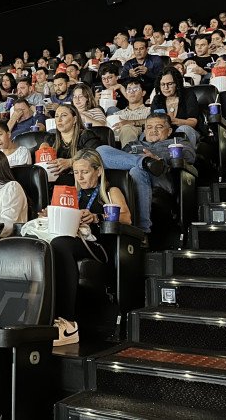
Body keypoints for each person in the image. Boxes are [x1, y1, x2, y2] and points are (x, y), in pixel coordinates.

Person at [48, 149, 131, 346]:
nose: (80, 177)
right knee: (48, 245)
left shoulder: (111, 191)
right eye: (76, 172)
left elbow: (127, 217)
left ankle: (67, 323)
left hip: (99, 246)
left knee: (60, 244)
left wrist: (97, 217)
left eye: (84, 172)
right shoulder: (71, 193)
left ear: (99, 171)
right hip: (74, 239)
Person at [96, 114, 195, 236]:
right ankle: (145, 162)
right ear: (144, 130)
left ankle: (142, 231)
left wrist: (159, 159)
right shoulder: (133, 145)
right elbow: (117, 160)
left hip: (161, 178)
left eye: (159, 127)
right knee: (100, 151)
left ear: (169, 131)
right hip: (130, 180)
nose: (153, 130)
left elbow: (190, 157)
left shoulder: (178, 142)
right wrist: (145, 161)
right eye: (149, 127)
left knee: (137, 171)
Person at [43, 104, 103, 186]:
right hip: (52, 181)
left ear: (74, 119)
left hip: (79, 180)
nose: (59, 120)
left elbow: (94, 158)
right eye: (56, 116)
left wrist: (70, 162)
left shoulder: (86, 135)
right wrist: (42, 151)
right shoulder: (50, 139)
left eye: (63, 115)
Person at [150, 67, 202, 147]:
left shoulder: (188, 95)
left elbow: (193, 122)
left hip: (188, 131)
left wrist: (174, 120)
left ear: (177, 84)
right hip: (165, 132)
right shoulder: (157, 99)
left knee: (184, 129)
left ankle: (185, 157)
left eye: (169, 84)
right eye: (162, 84)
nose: (166, 87)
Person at [110, 79, 151, 146]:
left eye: (135, 89)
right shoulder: (117, 114)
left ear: (143, 93)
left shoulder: (149, 110)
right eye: (129, 90)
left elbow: (154, 121)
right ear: (126, 93)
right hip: (115, 139)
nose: (132, 92)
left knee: (127, 128)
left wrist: (132, 122)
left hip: (139, 136)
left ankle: (129, 155)